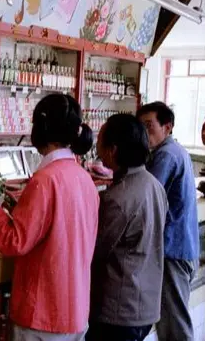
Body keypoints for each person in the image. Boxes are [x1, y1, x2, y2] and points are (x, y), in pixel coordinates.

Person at [0, 94, 99, 341]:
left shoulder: (45, 180)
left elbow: (14, 241)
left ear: (40, 129)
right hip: (75, 309)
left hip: (43, 313)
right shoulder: (83, 178)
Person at [86, 114, 168, 341]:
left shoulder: (119, 198)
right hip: (146, 304)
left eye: (99, 140)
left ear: (112, 150)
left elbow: (96, 249)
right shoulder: (153, 184)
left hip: (120, 309)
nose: (96, 146)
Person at [137, 102, 200, 341]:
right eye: (140, 127)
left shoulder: (166, 155)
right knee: (169, 319)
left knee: (175, 323)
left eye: (149, 126)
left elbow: (145, 197)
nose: (144, 133)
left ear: (167, 127)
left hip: (173, 252)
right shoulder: (175, 150)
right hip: (181, 249)